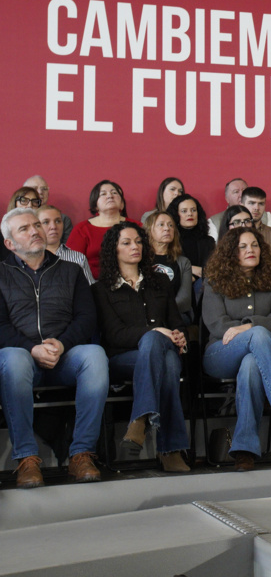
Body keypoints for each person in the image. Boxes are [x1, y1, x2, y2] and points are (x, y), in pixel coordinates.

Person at [0, 209, 107, 487]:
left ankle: (81, 454)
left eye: (37, 225)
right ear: (10, 243)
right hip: (23, 358)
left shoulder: (71, 271)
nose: (35, 230)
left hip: (64, 355)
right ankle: (26, 458)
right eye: (24, 228)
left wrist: (61, 343)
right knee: (12, 359)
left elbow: (87, 318)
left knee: (95, 356)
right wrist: (32, 349)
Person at [202, 227, 271, 471]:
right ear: (231, 252)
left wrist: (252, 330)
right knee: (260, 335)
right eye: (242, 246)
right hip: (221, 352)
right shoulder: (214, 281)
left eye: (254, 245)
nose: (251, 250)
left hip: (263, 352)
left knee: (251, 365)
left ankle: (244, 450)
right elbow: (216, 323)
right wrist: (254, 332)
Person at [92, 223, 190, 472]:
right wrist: (154, 331)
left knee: (166, 359)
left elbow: (177, 322)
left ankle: (140, 419)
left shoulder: (159, 281)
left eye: (138, 241)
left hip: (167, 352)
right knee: (159, 352)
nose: (134, 247)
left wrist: (180, 335)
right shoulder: (101, 289)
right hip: (123, 359)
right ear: (113, 250)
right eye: (126, 243)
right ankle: (170, 449)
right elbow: (114, 335)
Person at [67, 180, 138, 280]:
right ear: (95, 205)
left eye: (114, 193)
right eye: (103, 194)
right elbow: (71, 263)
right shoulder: (82, 229)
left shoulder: (136, 226)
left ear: (122, 204)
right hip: (92, 283)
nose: (110, 196)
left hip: (131, 281)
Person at [146, 212, 193, 318]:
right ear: (149, 230)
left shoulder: (183, 262)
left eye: (170, 225)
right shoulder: (141, 260)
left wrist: (160, 312)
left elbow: (184, 300)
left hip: (175, 315)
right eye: (161, 225)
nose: (167, 228)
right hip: (147, 315)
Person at [38, 205, 94, 284]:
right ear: (36, 227)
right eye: (46, 222)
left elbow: (89, 289)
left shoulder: (78, 258)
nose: (53, 227)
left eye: (58, 221)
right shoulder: (30, 259)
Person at [167, 194, 215, 282]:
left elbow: (213, 269)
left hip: (204, 288)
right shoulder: (169, 240)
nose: (190, 214)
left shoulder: (209, 241)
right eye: (184, 211)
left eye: (193, 210)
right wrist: (190, 269)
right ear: (175, 215)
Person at [241, 186, 271, 271]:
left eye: (261, 203)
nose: (257, 208)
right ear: (242, 205)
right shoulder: (233, 233)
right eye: (251, 203)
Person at [24, 175, 72, 244]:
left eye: (44, 189)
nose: (40, 192)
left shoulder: (63, 219)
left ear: (48, 193)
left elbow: (67, 248)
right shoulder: (17, 220)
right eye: (34, 188)